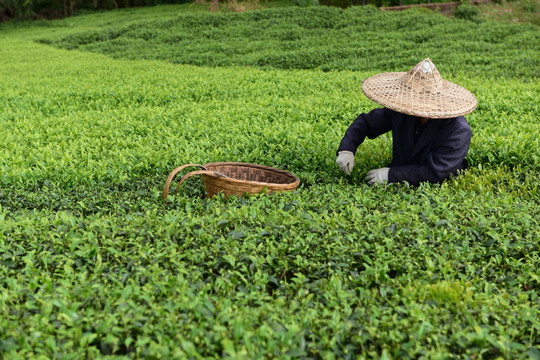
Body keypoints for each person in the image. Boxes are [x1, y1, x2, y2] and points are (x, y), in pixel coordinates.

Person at [336, 58, 477, 186]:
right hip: (400, 168)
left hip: (432, 189)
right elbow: (366, 122)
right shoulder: (402, 111)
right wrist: (346, 149)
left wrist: (391, 175)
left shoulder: (458, 129)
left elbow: (437, 172)